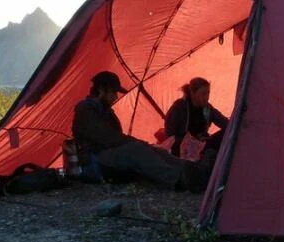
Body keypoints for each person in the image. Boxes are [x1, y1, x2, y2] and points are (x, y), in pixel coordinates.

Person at [72, 71, 205, 190]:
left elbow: (115, 138)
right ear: (101, 90)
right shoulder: (85, 110)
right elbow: (108, 138)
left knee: (154, 149)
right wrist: (138, 143)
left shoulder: (106, 112)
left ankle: (192, 169)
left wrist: (144, 144)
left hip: (108, 155)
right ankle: (178, 178)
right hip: (95, 161)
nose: (116, 97)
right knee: (136, 149)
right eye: (113, 92)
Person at [164, 77, 229, 158]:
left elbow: (224, 122)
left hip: (202, 144)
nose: (206, 97)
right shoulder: (179, 107)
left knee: (228, 132)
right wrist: (193, 140)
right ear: (193, 93)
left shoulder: (207, 108)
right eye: (203, 94)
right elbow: (170, 137)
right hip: (183, 149)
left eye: (208, 93)